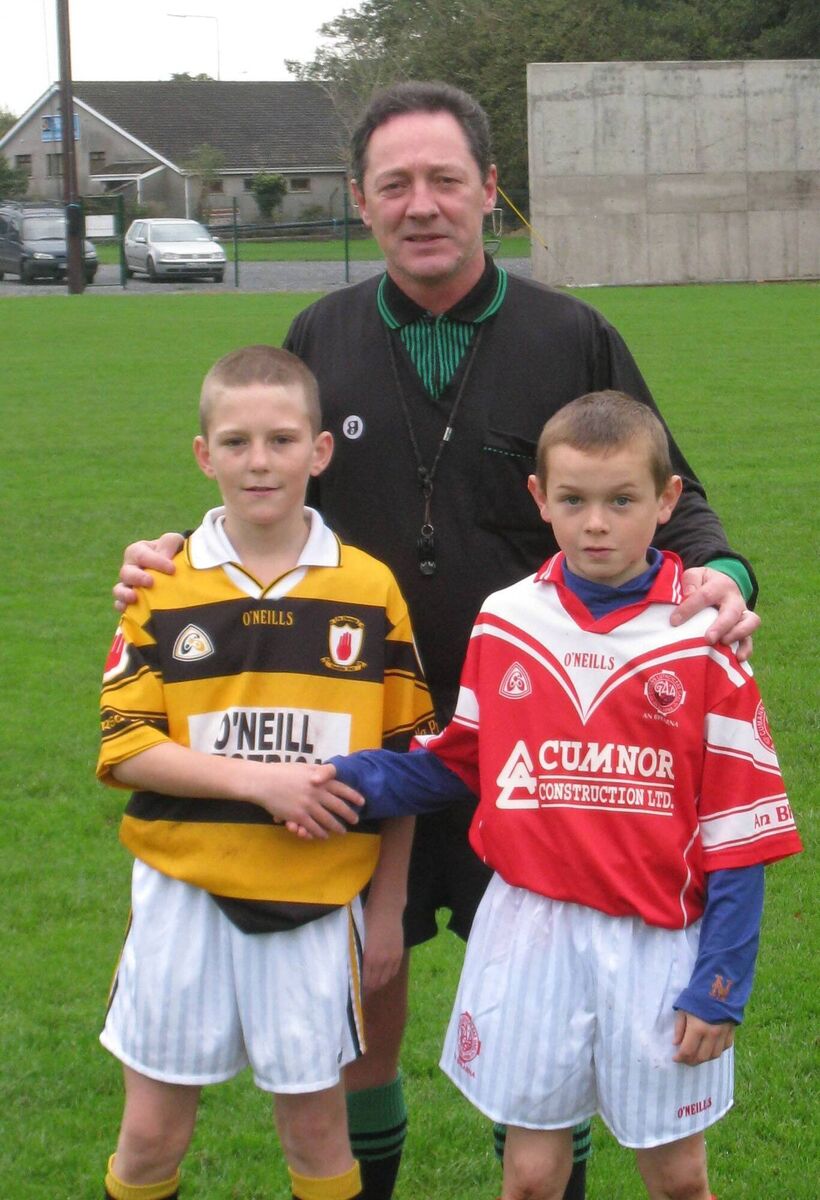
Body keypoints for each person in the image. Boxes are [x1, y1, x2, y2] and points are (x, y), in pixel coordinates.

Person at [113, 82, 762, 1200]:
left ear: (489, 192)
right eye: (396, 184)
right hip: (380, 741)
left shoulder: (570, 333)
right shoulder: (321, 330)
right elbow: (267, 477)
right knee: (368, 985)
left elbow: (676, 498)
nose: (423, 205)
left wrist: (725, 581)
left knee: (567, 983)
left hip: (553, 745)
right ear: (362, 202)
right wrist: (181, 551)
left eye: (446, 180)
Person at [327, 391, 803, 1200]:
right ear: (539, 499)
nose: (597, 524)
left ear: (666, 501)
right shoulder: (508, 620)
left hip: (657, 943)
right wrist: (338, 779)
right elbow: (461, 762)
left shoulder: (706, 641)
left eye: (623, 501)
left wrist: (720, 984)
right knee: (532, 1176)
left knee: (680, 1178)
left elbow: (740, 831)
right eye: (574, 500)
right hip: (530, 933)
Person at [96, 345, 437, 1200]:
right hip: (183, 895)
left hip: (319, 900)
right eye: (238, 442)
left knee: (318, 1132)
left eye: (282, 441)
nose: (260, 462)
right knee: (149, 1135)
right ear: (204, 455)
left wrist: (388, 907)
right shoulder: (160, 587)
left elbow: (406, 765)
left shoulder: (370, 588)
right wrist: (262, 782)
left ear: (319, 452)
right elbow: (127, 746)